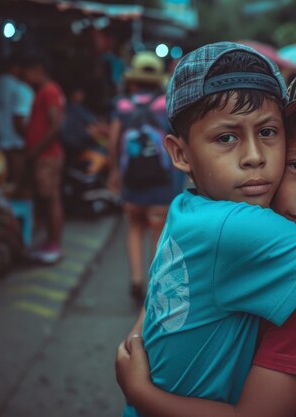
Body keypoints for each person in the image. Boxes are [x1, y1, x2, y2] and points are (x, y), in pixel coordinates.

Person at [116, 42, 296, 417]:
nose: (254, 156)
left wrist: (139, 343)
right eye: (226, 138)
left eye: (268, 132)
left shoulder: (188, 206)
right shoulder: (242, 227)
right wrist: (140, 392)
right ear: (181, 154)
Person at [107, 51, 177, 302]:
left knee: (135, 225)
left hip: (132, 178)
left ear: (133, 80)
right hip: (162, 179)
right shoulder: (166, 104)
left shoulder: (122, 105)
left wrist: (114, 171)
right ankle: (153, 282)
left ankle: (136, 279)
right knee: (158, 229)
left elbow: (114, 140)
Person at [21, 53, 66, 264]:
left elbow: (55, 124)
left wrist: (35, 150)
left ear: (37, 68)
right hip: (46, 154)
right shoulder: (46, 90)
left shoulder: (49, 90)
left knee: (51, 199)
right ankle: (51, 242)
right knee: (49, 199)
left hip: (47, 155)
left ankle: (54, 244)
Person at [0, 54, 34, 196]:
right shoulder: (21, 87)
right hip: (18, 137)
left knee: (7, 179)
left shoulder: (3, 83)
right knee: (17, 180)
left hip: (4, 136)